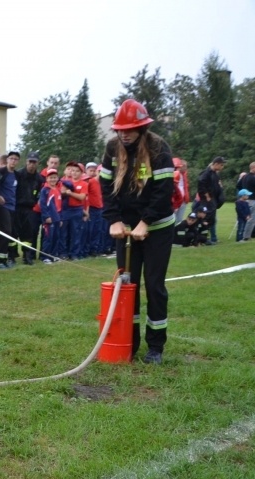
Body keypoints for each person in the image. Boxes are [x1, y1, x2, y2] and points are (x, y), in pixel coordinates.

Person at [100, 99, 174, 364]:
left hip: (158, 228)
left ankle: (156, 347)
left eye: (130, 129)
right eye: (120, 129)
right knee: (127, 286)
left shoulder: (158, 148)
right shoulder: (111, 148)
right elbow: (106, 187)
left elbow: (164, 191)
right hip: (127, 231)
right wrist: (114, 219)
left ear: (142, 127)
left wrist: (147, 222)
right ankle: (128, 341)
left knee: (154, 285)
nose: (124, 134)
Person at [196, 156, 226, 245]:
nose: (222, 167)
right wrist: (207, 195)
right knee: (206, 218)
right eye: (221, 165)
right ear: (216, 164)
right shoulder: (206, 173)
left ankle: (206, 238)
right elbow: (201, 183)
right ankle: (201, 238)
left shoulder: (214, 174)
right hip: (208, 200)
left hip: (213, 199)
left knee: (211, 219)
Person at [39, 168, 62, 263]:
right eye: (50, 177)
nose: (53, 179)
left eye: (54, 177)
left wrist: (60, 219)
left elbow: (59, 206)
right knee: (48, 238)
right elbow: (43, 204)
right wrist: (46, 216)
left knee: (55, 238)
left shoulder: (57, 189)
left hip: (57, 218)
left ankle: (53, 255)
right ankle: (45, 257)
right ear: (47, 179)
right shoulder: (45, 190)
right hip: (49, 219)